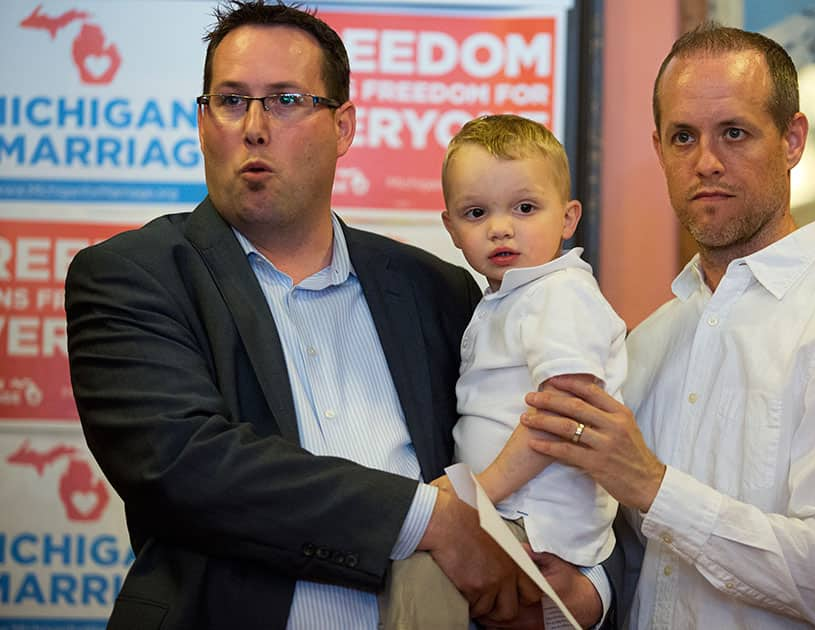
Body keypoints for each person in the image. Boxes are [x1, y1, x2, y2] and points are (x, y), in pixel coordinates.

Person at [63, 2, 555, 628]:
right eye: (231, 100)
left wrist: (576, 586)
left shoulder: (439, 292)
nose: (255, 127)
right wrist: (425, 519)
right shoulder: (133, 275)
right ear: (202, 121)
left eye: (288, 100)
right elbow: (185, 465)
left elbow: (509, 449)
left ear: (343, 127)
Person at [521, 23, 815, 629]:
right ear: (659, 148)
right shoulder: (646, 342)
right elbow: (633, 567)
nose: (706, 162)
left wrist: (654, 487)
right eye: (683, 137)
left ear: (793, 139)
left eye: (735, 133)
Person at [378, 114, 627, 630]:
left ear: (568, 217)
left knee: (423, 573)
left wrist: (479, 493)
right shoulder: (507, 299)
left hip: (537, 523)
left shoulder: (561, 293)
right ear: (450, 228)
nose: (500, 227)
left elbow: (564, 412)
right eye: (476, 212)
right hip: (515, 514)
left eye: (525, 207)